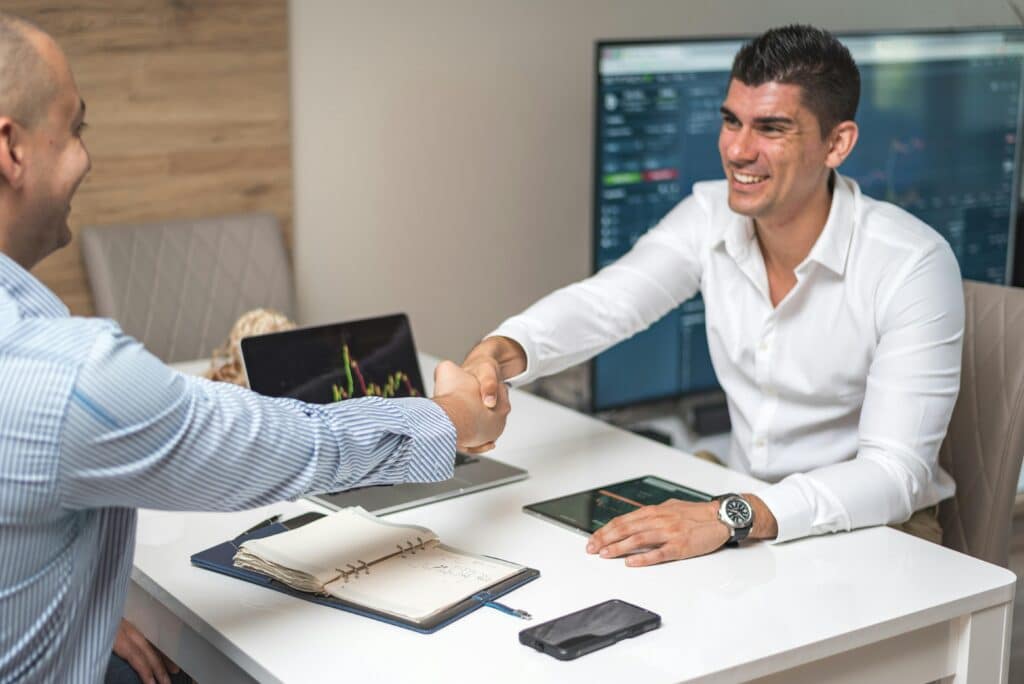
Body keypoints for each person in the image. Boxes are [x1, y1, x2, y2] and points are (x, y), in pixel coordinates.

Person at [0, 13, 508, 683]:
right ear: (10, 150)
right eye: (75, 129)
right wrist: (458, 417)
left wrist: (72, 602)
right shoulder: (63, 376)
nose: (87, 158)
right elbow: (296, 444)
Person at [463, 25, 963, 567]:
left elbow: (896, 476)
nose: (738, 150)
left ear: (837, 143)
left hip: (873, 525)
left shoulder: (912, 263)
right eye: (731, 121)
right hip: (741, 500)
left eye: (772, 128)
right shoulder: (709, 215)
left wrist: (731, 515)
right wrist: (499, 351)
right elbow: (606, 304)